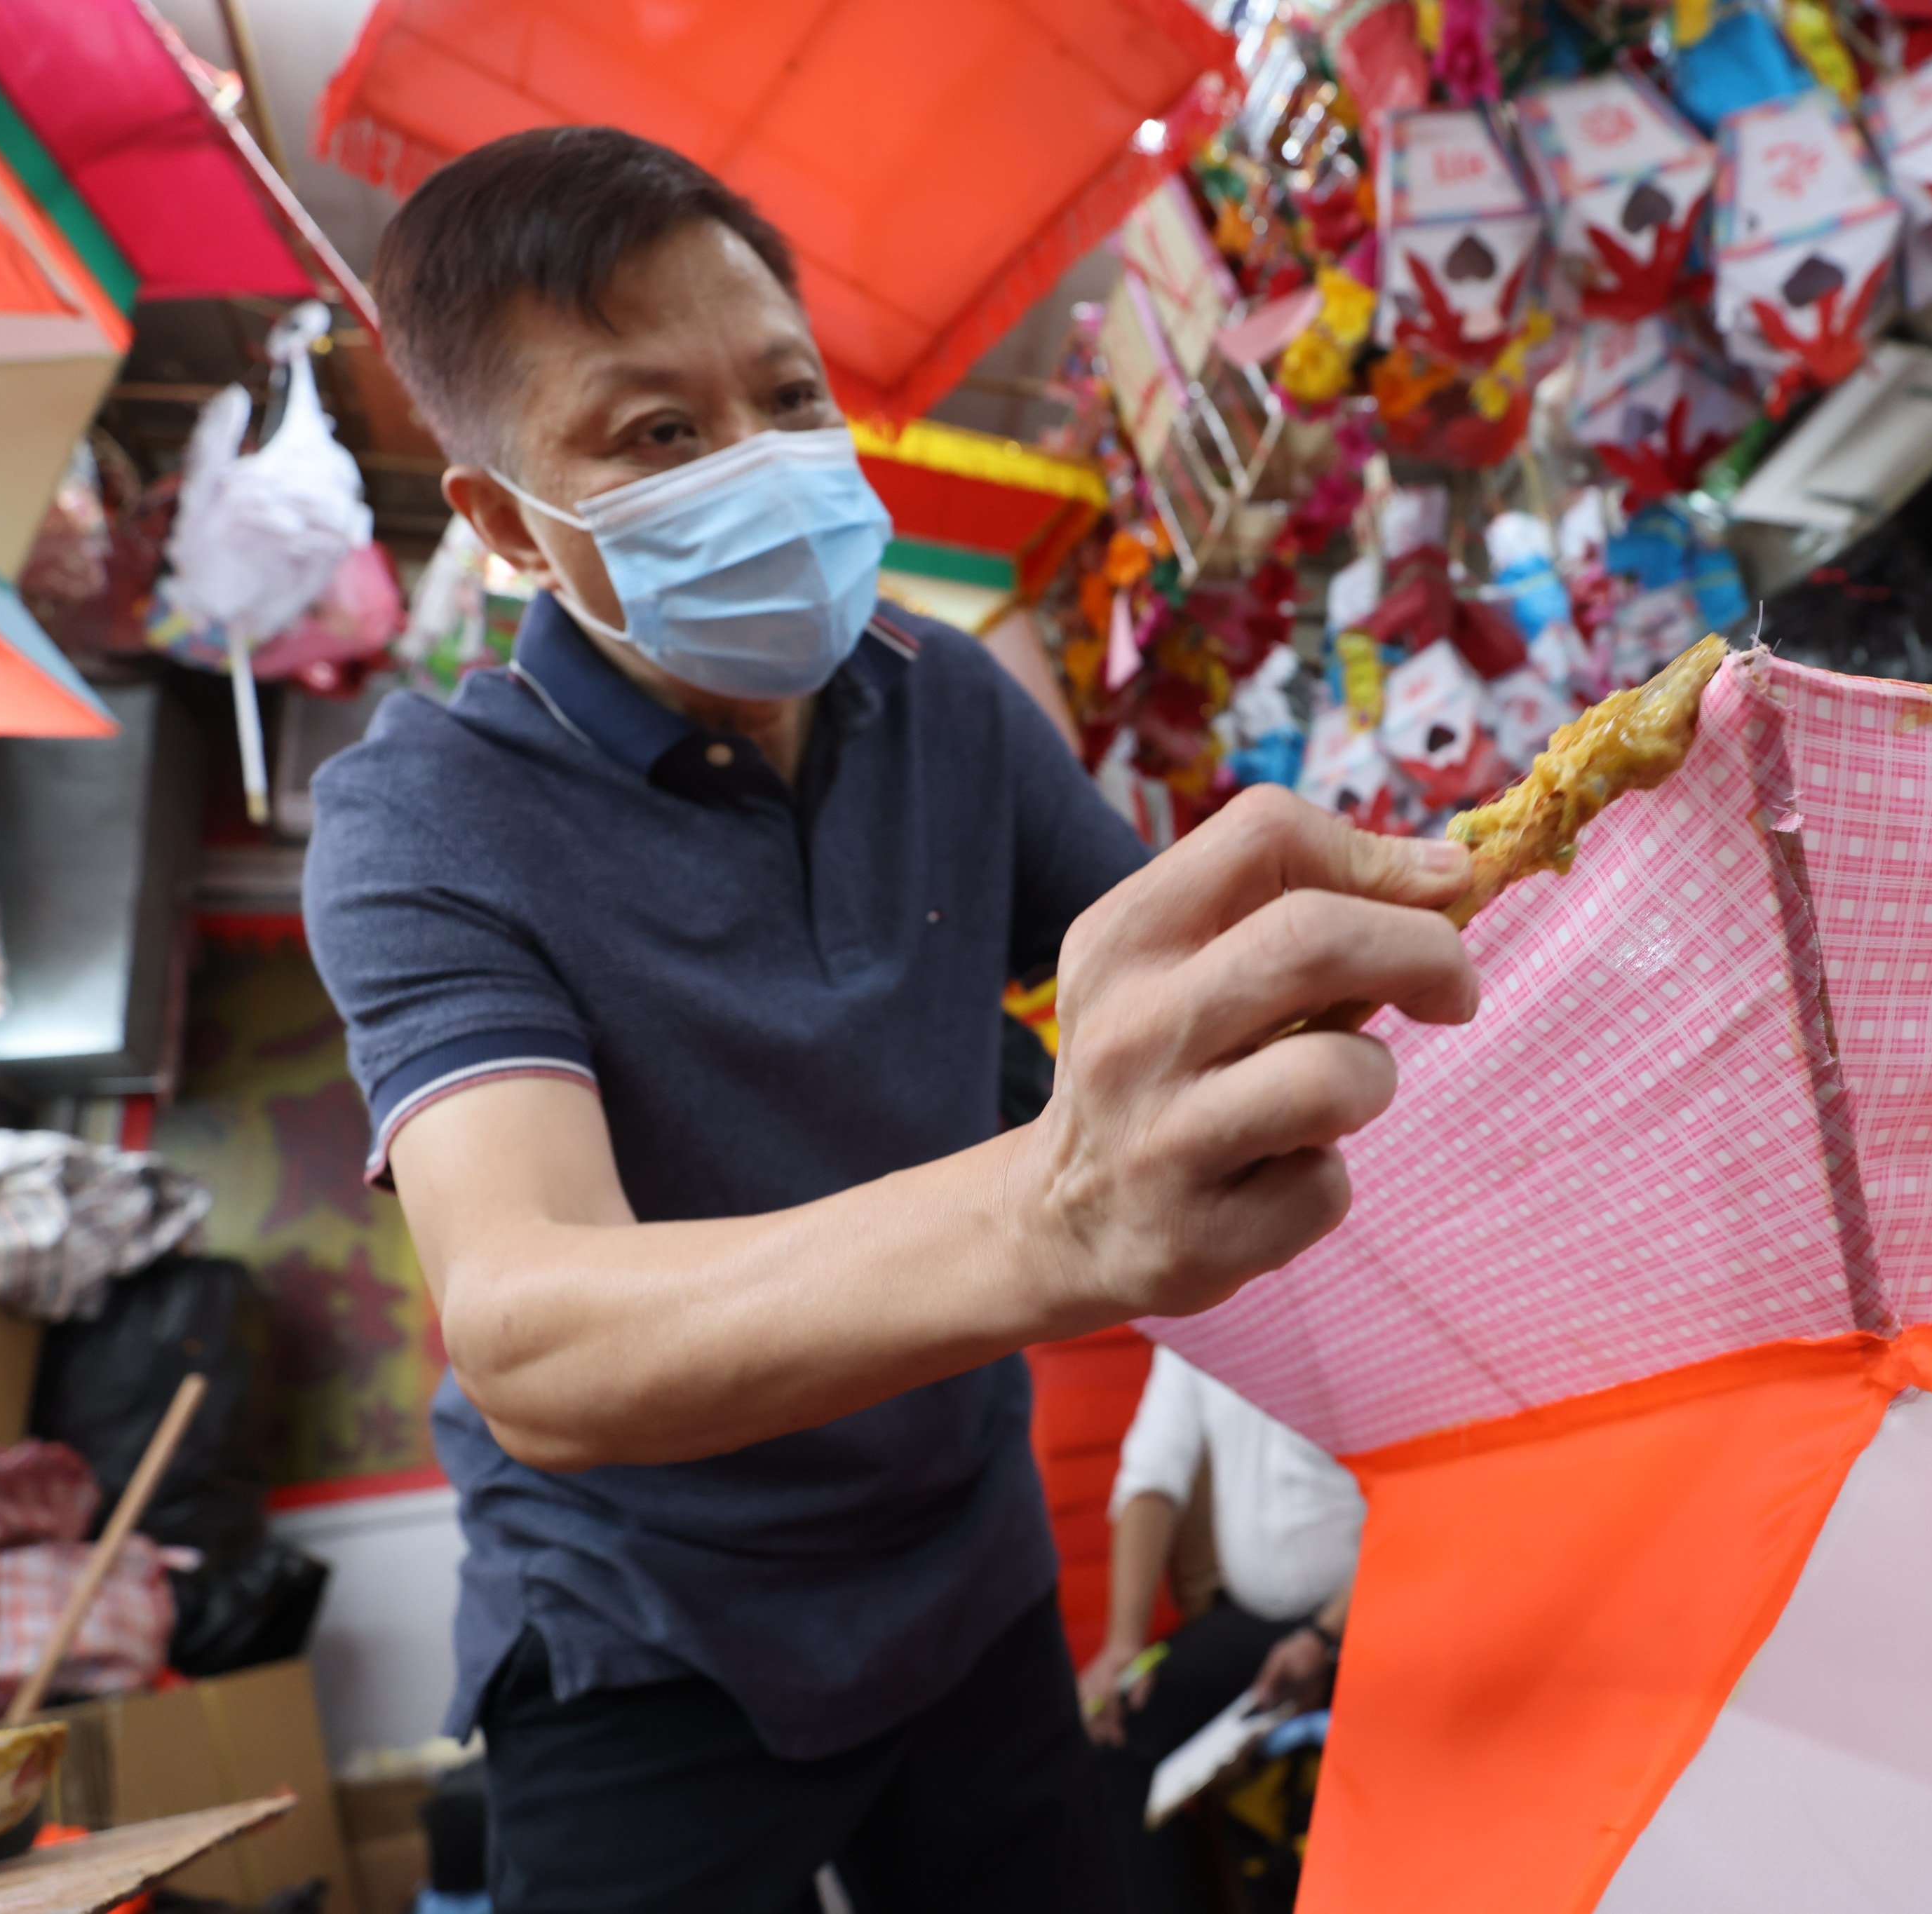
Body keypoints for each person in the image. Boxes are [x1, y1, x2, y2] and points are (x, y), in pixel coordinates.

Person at [302, 127, 1478, 1913]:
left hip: (963, 1563)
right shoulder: (426, 820)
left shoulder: (947, 712)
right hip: (651, 1625)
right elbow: (535, 1332)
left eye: (787, 396)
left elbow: (1179, 965)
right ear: (502, 524)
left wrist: (1476, 887)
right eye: (659, 434)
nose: (762, 469)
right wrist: (1060, 1215)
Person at [1080, 1347, 1366, 1910]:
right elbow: (1151, 1476)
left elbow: (1419, 1490)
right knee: (1115, 1735)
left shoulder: (1362, 1306)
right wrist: (1122, 1643)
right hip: (1256, 1620)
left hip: (1370, 1608)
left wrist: (1327, 1635)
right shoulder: (1198, 1321)